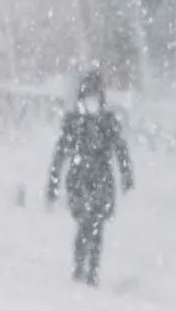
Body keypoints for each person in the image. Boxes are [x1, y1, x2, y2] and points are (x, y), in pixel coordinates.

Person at [46, 70, 134, 284]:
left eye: (95, 97)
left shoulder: (108, 121)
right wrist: (53, 184)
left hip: (102, 179)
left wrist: (126, 174)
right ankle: (79, 266)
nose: (91, 102)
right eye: (88, 97)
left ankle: (92, 269)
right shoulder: (74, 122)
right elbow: (60, 154)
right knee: (85, 222)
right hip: (79, 179)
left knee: (96, 225)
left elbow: (120, 148)